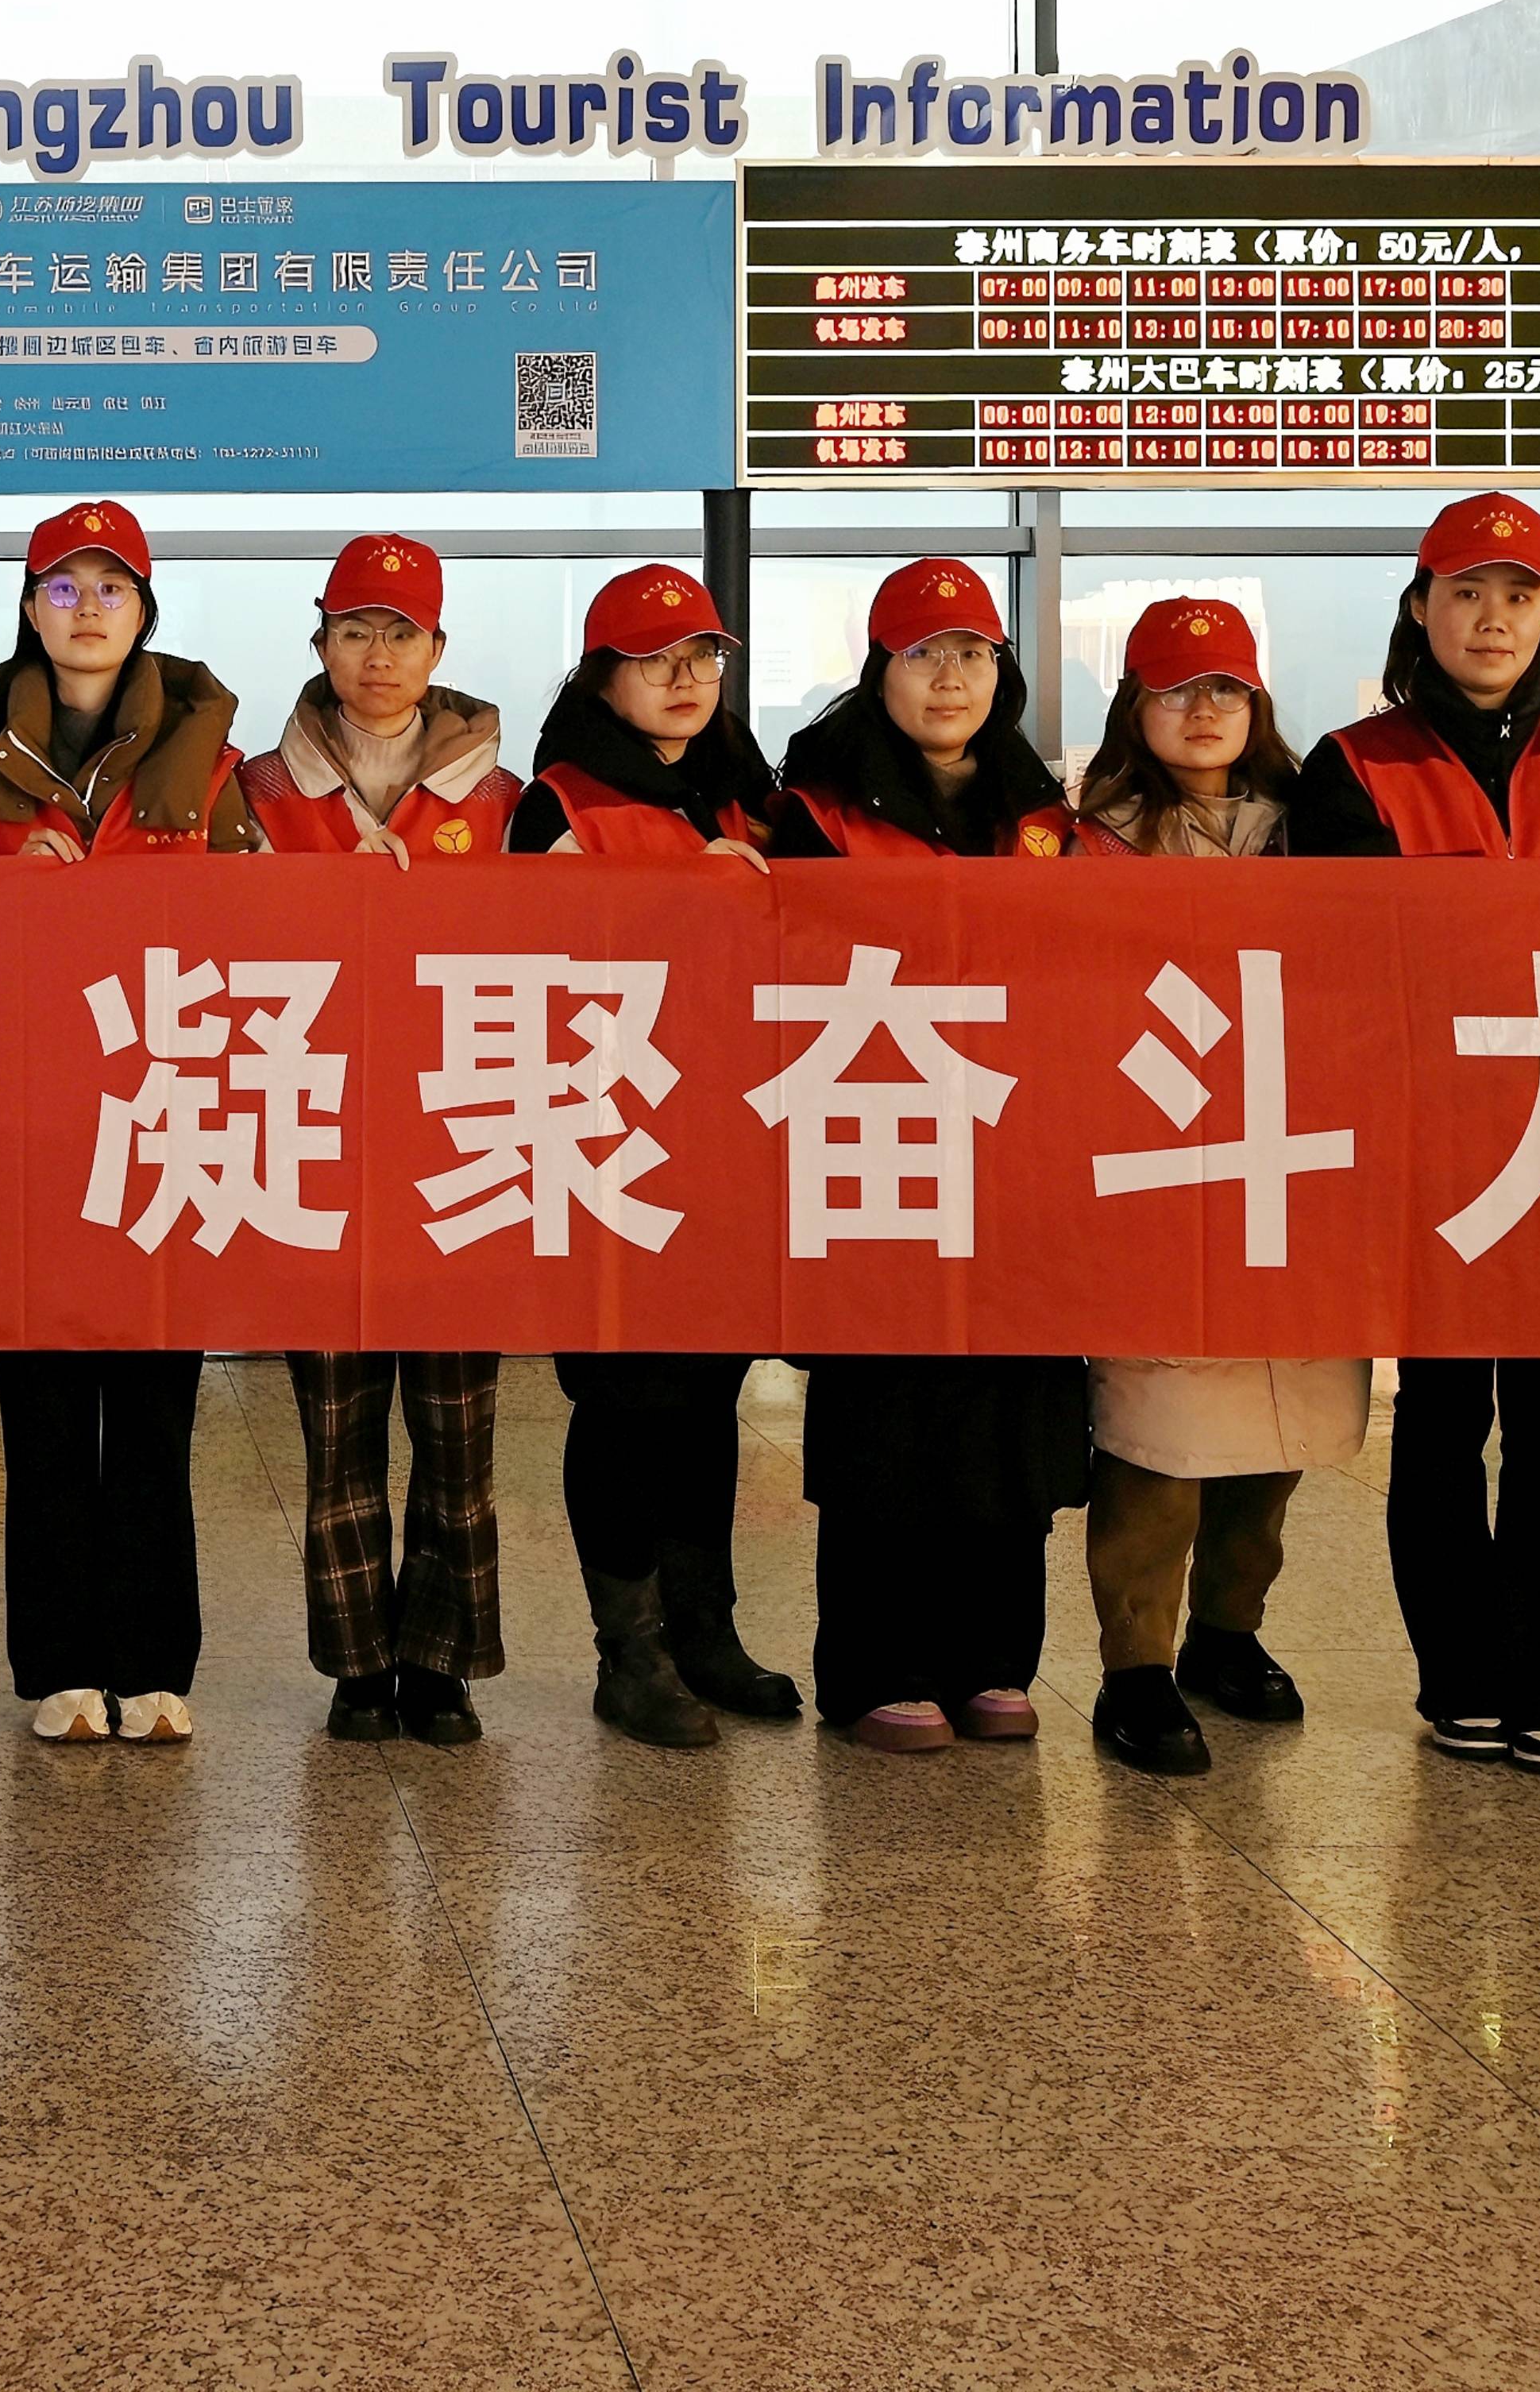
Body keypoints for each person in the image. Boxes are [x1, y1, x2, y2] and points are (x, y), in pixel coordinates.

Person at [1293, 493, 1540, 1776]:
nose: (1492, 618)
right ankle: (1458, 1676)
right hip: (1427, 1137)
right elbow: (1340, 955)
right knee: (1440, 1418)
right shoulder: (1353, 763)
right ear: (1421, 606)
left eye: (1518, 594)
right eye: (1466, 591)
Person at [766, 559, 1093, 1757]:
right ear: (879, 671)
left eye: (972, 654)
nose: (950, 677)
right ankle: (876, 1665)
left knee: (1009, 1414)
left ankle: (993, 1656)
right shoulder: (814, 811)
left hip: (1017, 1147)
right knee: (888, 1417)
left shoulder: (1046, 818)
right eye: (922, 654)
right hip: (874, 1144)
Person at [0, 500, 260, 1746]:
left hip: (159, 1118)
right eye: (63, 589)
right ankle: (57, 1665)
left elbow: (264, 937)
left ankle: (154, 1657)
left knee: (150, 1407)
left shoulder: (216, 768)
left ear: (145, 610)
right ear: (30, 610)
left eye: (111, 588)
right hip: (19, 1129)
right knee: (40, 1411)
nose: (87, 610)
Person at [1044, 597, 1364, 1780]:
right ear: (1134, 705)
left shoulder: (1319, 829)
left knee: (1276, 1416)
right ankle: (1135, 1665)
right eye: (1175, 687)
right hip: (1155, 1157)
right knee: (1160, 1423)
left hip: (1289, 1151)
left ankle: (1230, 1631)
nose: (1203, 708)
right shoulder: (1083, 842)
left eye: (1225, 685)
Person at [245, 534, 515, 1745]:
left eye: (402, 632)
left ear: (439, 649)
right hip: (318, 1139)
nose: (378, 654)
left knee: (458, 1428)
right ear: (320, 643)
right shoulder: (255, 792)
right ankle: (359, 1664)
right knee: (337, 1425)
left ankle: (442, 1661)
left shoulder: (507, 801)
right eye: (355, 629)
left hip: (466, 1141)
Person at [508, 562, 778, 1750]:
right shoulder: (555, 803)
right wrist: (683, 890)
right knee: (627, 1397)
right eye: (652, 659)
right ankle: (629, 1650)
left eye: (702, 657)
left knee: (710, 1391)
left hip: (733, 1135)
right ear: (599, 678)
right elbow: (536, 967)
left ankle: (705, 1627)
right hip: (608, 1139)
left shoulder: (749, 794)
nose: (684, 678)